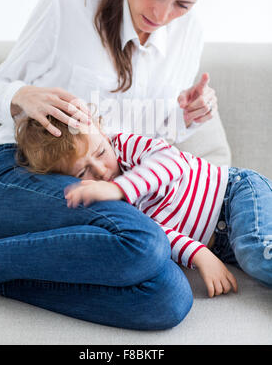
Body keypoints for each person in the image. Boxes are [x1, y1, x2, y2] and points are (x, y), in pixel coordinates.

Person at [0, 0, 224, 329]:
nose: (162, 14)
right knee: (146, 243)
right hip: (18, 176)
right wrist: (21, 95)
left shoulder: (189, 37)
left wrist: (188, 117)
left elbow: (150, 142)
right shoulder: (66, 6)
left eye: (182, 5)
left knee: (170, 298)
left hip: (106, 194)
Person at [14, 114, 272, 296]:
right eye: (84, 173)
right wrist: (198, 253)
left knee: (256, 252)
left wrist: (118, 188)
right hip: (223, 245)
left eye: (101, 152)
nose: (102, 170)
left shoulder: (125, 147)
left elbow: (173, 162)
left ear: (104, 134)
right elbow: (156, 234)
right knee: (255, 257)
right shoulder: (102, 203)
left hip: (234, 194)